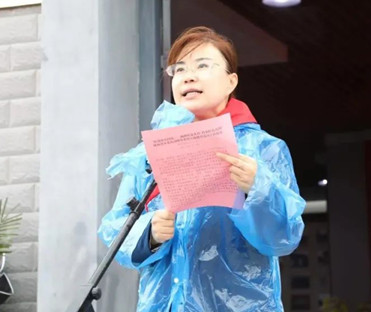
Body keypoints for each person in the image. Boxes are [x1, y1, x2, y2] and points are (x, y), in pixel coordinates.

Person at [98, 26, 306, 312]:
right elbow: (116, 229)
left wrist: (257, 189)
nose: (188, 76)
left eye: (203, 66)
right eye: (179, 69)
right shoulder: (150, 153)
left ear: (231, 81)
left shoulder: (263, 149)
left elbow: (285, 237)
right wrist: (150, 233)